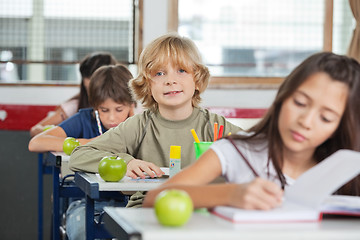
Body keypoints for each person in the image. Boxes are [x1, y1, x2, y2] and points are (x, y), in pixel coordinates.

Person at [143, 52, 360, 210]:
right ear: (283, 98)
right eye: (300, 103)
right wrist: (231, 194)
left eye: (326, 118)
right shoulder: (237, 151)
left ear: (338, 127)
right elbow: (154, 198)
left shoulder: (346, 169)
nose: (306, 122)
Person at [69, 33, 242, 208]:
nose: (170, 81)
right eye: (159, 73)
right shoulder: (139, 125)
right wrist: (126, 162)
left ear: (197, 80)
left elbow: (260, 152)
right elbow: (79, 156)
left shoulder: (215, 126)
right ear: (147, 85)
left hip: (202, 210)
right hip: (147, 210)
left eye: (181, 70)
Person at [28, 64, 136, 153]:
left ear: (131, 105)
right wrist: (90, 142)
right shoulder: (84, 120)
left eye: (119, 110)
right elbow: (35, 143)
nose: (112, 118)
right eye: (104, 110)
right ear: (95, 106)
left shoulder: (139, 124)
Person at [29, 52, 118, 137]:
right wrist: (59, 133)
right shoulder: (74, 108)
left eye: (118, 109)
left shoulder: (127, 107)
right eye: (88, 89)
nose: (111, 117)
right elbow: (35, 130)